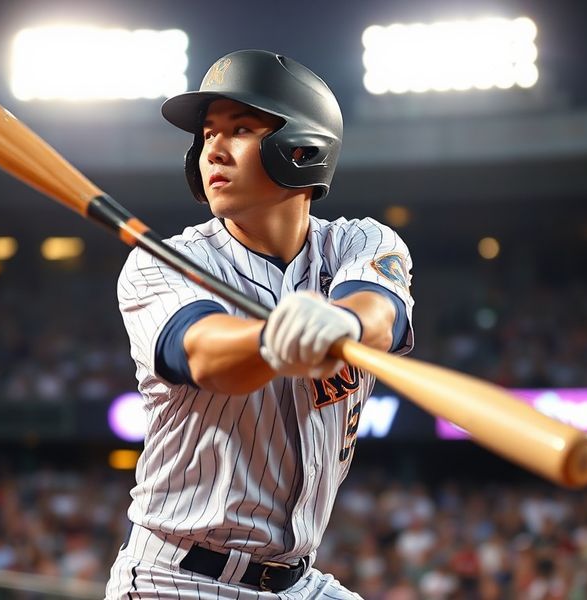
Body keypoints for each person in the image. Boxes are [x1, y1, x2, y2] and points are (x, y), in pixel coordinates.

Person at [105, 49, 415, 599]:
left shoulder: (359, 241)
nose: (213, 150)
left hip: (299, 582)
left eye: (240, 129)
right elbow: (202, 353)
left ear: (301, 149)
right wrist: (273, 340)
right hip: (176, 580)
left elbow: (379, 317)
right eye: (207, 134)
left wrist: (339, 322)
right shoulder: (162, 261)